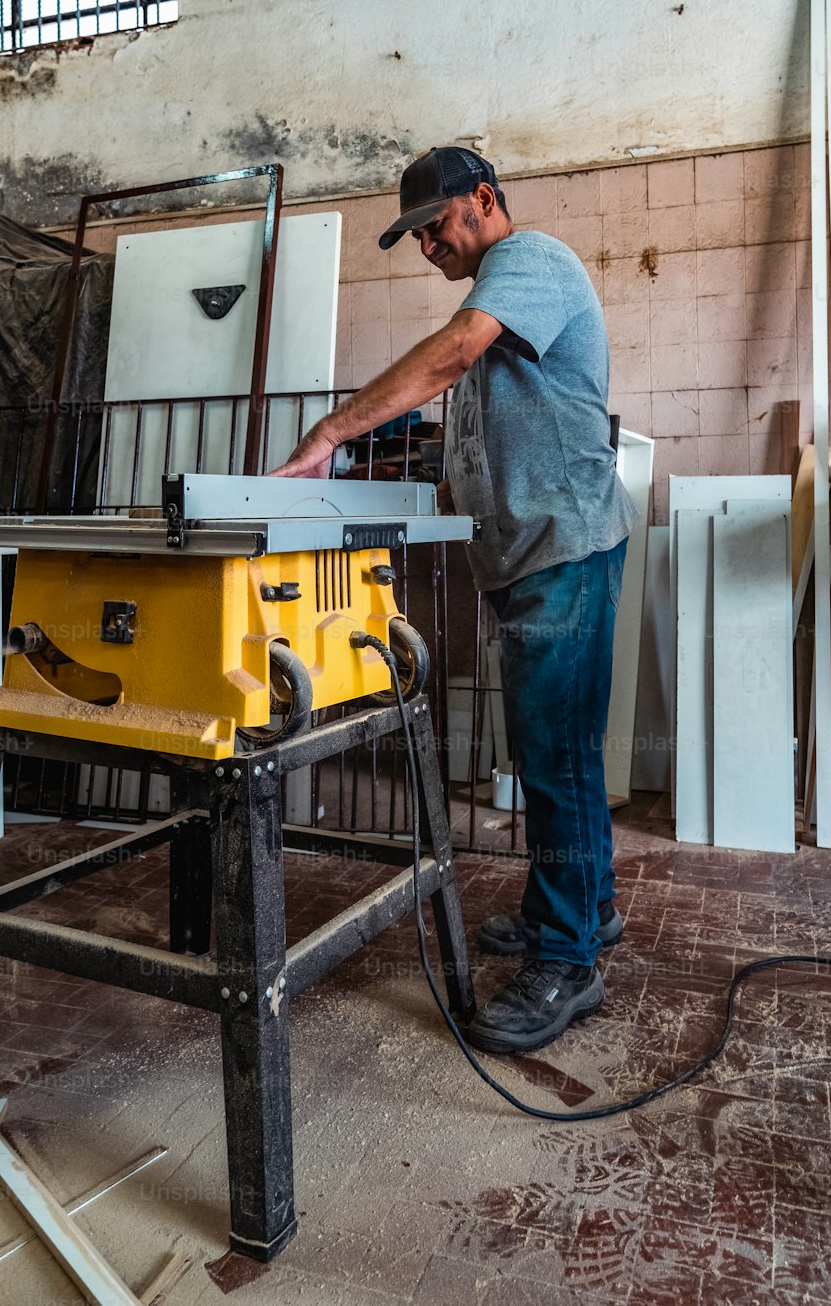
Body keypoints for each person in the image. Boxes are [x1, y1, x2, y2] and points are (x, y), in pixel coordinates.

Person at [272, 146, 637, 1053]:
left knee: (555, 758)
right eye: (417, 237)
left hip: (563, 550)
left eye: (435, 226)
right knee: (557, 752)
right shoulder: (495, 306)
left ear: (484, 199)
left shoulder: (530, 263)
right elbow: (465, 421)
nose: (428, 246)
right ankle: (588, 908)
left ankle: (568, 960)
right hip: (527, 558)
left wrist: (330, 430)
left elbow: (451, 355)